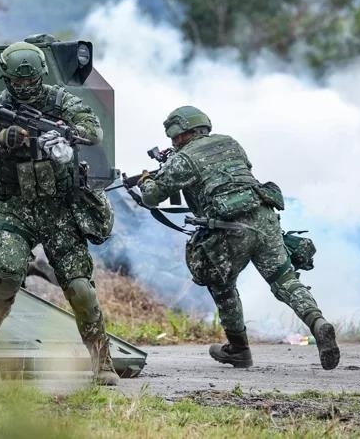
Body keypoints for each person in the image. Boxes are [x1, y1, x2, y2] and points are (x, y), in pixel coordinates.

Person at [0, 41, 119, 385]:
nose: (23, 89)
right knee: (4, 279)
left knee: (80, 288)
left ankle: (102, 362)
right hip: (13, 206)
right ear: (5, 79)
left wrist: (63, 133)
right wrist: (1, 140)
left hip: (58, 207)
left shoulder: (62, 100)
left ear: (41, 76)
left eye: (30, 82)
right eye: (17, 84)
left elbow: (94, 130)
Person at [137, 106, 340, 370]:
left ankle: (239, 350)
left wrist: (145, 180)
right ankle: (318, 323)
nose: (173, 142)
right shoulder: (231, 143)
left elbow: (152, 197)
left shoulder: (183, 160)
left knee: (221, 284)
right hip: (265, 216)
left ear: (180, 134)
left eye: (174, 138)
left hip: (229, 227)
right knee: (285, 280)